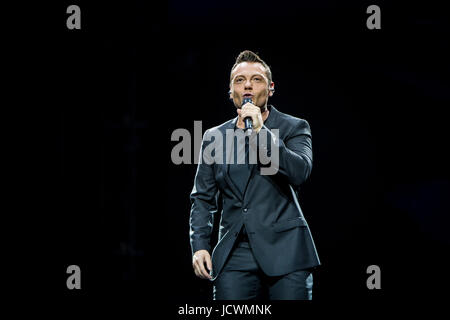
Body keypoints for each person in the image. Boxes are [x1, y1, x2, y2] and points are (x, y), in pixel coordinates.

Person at [189, 50, 320, 300]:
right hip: (234, 254)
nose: (247, 84)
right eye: (239, 80)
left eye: (256, 79)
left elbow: (300, 172)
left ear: (270, 89)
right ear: (230, 92)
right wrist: (200, 246)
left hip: (286, 251)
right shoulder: (213, 138)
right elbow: (203, 199)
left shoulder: (294, 127)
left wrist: (262, 133)